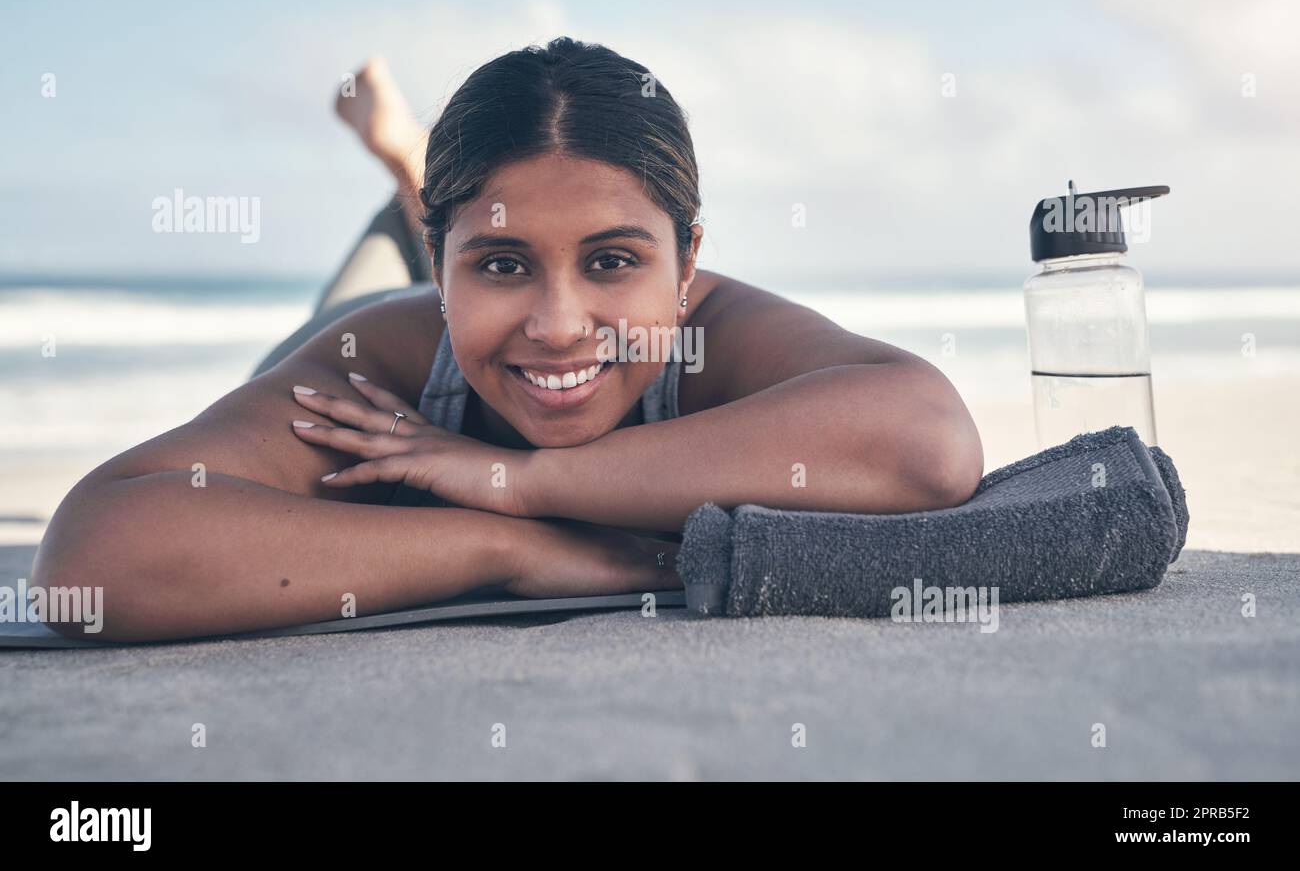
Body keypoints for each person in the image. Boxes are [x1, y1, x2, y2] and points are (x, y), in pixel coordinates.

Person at [33, 36, 984, 642]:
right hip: (356, 319)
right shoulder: (374, 374)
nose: (562, 324)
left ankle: (419, 174)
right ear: (442, 268)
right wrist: (512, 549)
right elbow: (91, 559)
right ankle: (407, 177)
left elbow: (928, 439)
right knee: (379, 274)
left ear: (687, 263)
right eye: (499, 264)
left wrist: (518, 482)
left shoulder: (715, 332)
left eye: (614, 261)